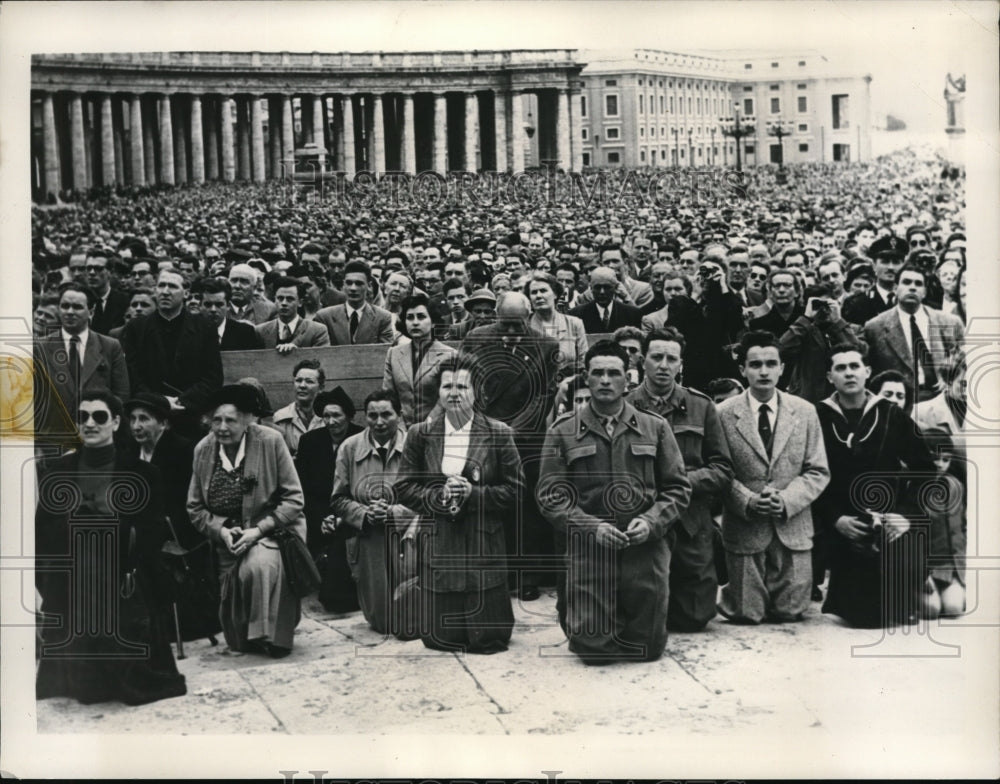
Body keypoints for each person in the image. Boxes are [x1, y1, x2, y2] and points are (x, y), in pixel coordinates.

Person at [539, 340, 691, 663]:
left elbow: (678, 489)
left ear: (628, 378)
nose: (605, 380)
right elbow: (550, 496)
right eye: (597, 373)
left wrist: (651, 522)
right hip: (590, 548)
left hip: (644, 548)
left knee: (646, 650)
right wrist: (590, 526)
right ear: (586, 377)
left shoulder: (655, 428)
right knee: (593, 652)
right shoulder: (562, 432)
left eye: (613, 373)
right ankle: (586, 617)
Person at [35, 390, 186, 705]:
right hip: (74, 575)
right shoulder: (58, 472)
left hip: (124, 574)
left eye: (99, 416)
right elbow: (44, 532)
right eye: (83, 417)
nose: (90, 423)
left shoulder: (143, 473)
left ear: (116, 422)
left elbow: (151, 532)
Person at [393, 356, 525, 654]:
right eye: (447, 386)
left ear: (476, 392)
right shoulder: (420, 434)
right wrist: (438, 496)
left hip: (483, 543)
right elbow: (403, 487)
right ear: (438, 392)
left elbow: (516, 491)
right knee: (442, 639)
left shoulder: (499, 433)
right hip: (441, 544)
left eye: (462, 386)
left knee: (488, 640)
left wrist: (474, 494)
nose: (454, 393)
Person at [814, 344, 936, 628]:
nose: (849, 373)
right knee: (860, 616)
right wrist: (836, 519)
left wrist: (905, 515)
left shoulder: (892, 415)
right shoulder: (817, 416)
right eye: (840, 368)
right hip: (840, 524)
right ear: (829, 376)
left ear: (867, 372)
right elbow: (810, 476)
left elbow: (925, 471)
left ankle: (916, 580)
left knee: (899, 613)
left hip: (888, 523)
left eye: (854, 366)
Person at [716, 331, 830, 624]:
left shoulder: (805, 412)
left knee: (790, 612)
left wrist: (786, 499)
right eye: (755, 364)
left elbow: (817, 470)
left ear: (782, 368)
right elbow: (718, 471)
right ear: (742, 369)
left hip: (791, 526)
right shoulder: (722, 414)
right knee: (746, 614)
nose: (764, 371)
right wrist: (748, 500)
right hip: (746, 528)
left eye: (771, 363)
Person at [187, 384, 306, 658]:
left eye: (231, 420)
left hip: (271, 531)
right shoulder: (203, 450)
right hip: (228, 539)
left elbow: (294, 500)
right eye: (216, 420)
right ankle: (252, 633)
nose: (222, 427)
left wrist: (258, 531)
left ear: (247, 420)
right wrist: (222, 530)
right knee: (238, 641)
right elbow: (194, 508)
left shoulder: (270, 441)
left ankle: (275, 637)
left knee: (258, 566)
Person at [627, 328, 733, 632]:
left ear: (681, 365)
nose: (663, 364)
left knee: (694, 618)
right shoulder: (626, 406)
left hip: (690, 521)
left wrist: (678, 481)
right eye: (656, 356)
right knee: (641, 613)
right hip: (643, 517)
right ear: (642, 361)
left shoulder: (701, 406)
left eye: (671, 358)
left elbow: (723, 470)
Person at [460, 292, 561, 600]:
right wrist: (488, 429)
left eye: (518, 325)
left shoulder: (546, 345)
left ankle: (527, 575)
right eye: (506, 324)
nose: (512, 332)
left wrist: (516, 429)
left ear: (529, 317)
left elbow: (545, 395)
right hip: (484, 436)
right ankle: (494, 575)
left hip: (526, 439)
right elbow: (464, 384)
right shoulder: (476, 339)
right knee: (487, 504)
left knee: (526, 507)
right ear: (496, 317)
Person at [330, 390, 415, 637]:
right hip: (368, 537)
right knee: (381, 619)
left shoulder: (415, 444)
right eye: (372, 415)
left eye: (386, 414)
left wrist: (393, 513)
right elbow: (338, 498)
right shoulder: (349, 448)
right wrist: (365, 514)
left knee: (411, 609)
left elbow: (428, 497)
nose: (379, 422)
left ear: (399, 415)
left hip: (408, 535)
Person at [120, 268, 223, 437]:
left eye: (172, 287)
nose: (165, 292)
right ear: (155, 290)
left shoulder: (204, 327)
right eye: (161, 286)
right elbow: (133, 374)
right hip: (149, 416)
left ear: (186, 293)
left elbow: (212, 378)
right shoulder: (136, 328)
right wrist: (159, 402)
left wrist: (181, 402)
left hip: (190, 417)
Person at [33, 282, 130, 448]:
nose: (70, 312)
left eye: (77, 307)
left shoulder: (109, 346)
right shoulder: (39, 348)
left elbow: (121, 396)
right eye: (65, 306)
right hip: (52, 441)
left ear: (90, 311)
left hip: (97, 439)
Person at [295, 386, 365, 612]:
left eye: (337, 415)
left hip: (350, 514)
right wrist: (322, 518)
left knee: (336, 598)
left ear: (349, 415)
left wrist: (339, 518)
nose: (331, 421)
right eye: (326, 416)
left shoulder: (361, 437)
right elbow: (303, 487)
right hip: (317, 513)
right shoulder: (310, 441)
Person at [863, 264, 964, 404]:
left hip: (943, 401)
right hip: (899, 404)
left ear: (925, 292)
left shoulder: (949, 322)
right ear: (895, 288)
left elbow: (964, 362)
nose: (912, 287)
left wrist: (951, 381)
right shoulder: (875, 327)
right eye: (906, 282)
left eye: (918, 284)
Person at [382, 293, 457, 426]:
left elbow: (447, 399)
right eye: (410, 317)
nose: (415, 322)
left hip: (437, 428)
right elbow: (388, 396)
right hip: (401, 429)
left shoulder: (450, 355)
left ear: (433, 322)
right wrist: (399, 427)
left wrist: (425, 427)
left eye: (421, 317)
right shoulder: (393, 354)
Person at [777, 285, 860, 402]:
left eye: (827, 305)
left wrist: (838, 322)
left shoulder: (849, 329)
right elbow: (781, 349)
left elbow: (858, 354)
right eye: (817, 306)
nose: (823, 310)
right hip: (808, 397)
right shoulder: (802, 329)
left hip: (841, 396)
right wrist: (806, 318)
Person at [919, 428, 966, 619]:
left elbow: (962, 528)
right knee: (931, 610)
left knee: (954, 608)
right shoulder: (913, 487)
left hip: (949, 565)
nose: (940, 464)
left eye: (946, 459)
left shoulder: (956, 485)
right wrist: (918, 573)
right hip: (922, 568)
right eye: (935, 458)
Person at [525, 271, 589, 383]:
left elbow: (584, 362)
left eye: (543, 291)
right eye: (534, 292)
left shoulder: (574, 324)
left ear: (555, 294)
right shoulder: (525, 327)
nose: (539, 296)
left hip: (569, 386)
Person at [315, 260, 394, 345]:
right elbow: (321, 353)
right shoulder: (325, 317)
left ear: (369, 285)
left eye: (359, 283)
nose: (353, 288)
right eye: (349, 283)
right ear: (343, 285)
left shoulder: (382, 318)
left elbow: (385, 352)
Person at [255, 276, 331, 352]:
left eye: (290, 299)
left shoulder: (317, 331)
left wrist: (297, 353)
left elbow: (322, 360)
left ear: (300, 302)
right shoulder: (260, 331)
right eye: (280, 298)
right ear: (275, 300)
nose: (284, 303)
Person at [271, 358, 326, 458]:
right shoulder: (281, 418)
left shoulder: (328, 417)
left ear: (321, 388)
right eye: (298, 380)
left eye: (309, 382)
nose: (302, 385)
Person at [569, 266, 643, 333]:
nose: (602, 292)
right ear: (591, 288)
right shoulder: (576, 314)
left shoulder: (631, 314)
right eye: (597, 287)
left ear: (615, 288)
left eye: (607, 287)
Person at [198, 278, 263, 351]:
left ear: (228, 306)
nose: (213, 309)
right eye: (208, 305)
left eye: (219, 305)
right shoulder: (188, 333)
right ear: (200, 306)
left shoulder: (245, 334)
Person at [83, 249, 131, 334]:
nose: (92, 273)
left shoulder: (124, 301)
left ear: (111, 272)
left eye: (98, 268)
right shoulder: (81, 299)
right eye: (89, 268)